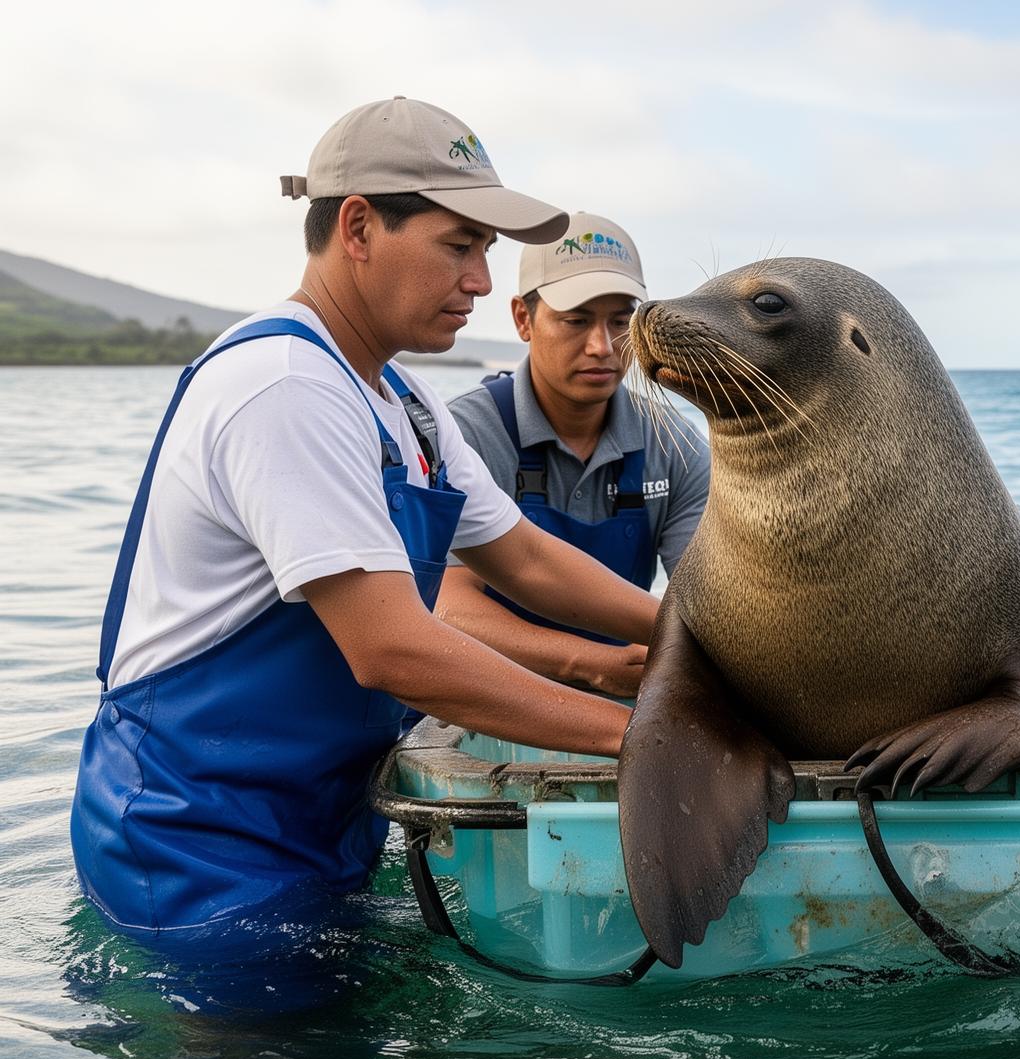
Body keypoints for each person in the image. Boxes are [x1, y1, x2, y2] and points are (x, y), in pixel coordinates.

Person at [71, 97, 659, 959]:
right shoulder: (285, 385)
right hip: (195, 848)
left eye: (487, 252)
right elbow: (393, 651)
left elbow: (528, 561)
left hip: (314, 828)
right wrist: (641, 739)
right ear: (357, 227)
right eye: (458, 246)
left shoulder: (403, 402)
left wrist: (689, 632)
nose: (483, 283)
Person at [440, 212, 710, 696]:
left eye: (621, 320)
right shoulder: (463, 435)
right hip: (490, 699)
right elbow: (447, 606)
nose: (602, 346)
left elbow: (709, 603)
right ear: (523, 318)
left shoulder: (678, 444)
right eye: (576, 320)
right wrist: (587, 664)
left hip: (626, 694)